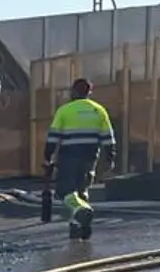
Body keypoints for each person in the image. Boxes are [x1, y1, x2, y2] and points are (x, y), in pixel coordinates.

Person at [44, 77, 115, 240]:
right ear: (89, 92)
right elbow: (108, 138)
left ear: (74, 92)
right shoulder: (99, 110)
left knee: (65, 191)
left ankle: (81, 211)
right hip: (90, 156)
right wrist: (110, 158)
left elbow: (53, 136)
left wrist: (48, 156)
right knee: (82, 190)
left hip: (69, 155)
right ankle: (78, 225)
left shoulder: (65, 110)